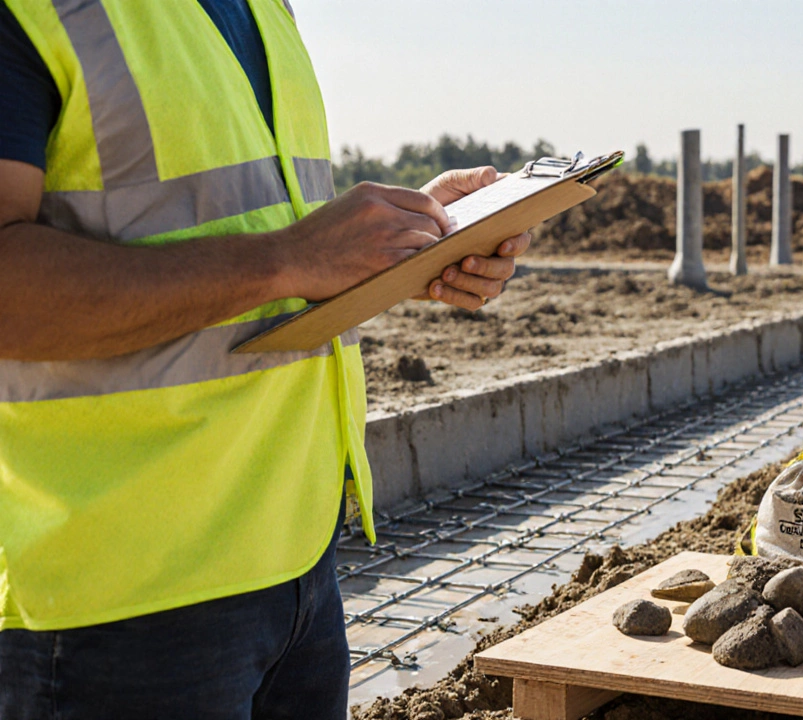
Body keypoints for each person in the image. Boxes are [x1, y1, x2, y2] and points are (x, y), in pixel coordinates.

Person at [0, 1, 529, 717]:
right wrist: (289, 258)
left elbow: (251, 236)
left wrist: (409, 243)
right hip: (118, 596)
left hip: (299, 563)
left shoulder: (258, 9)